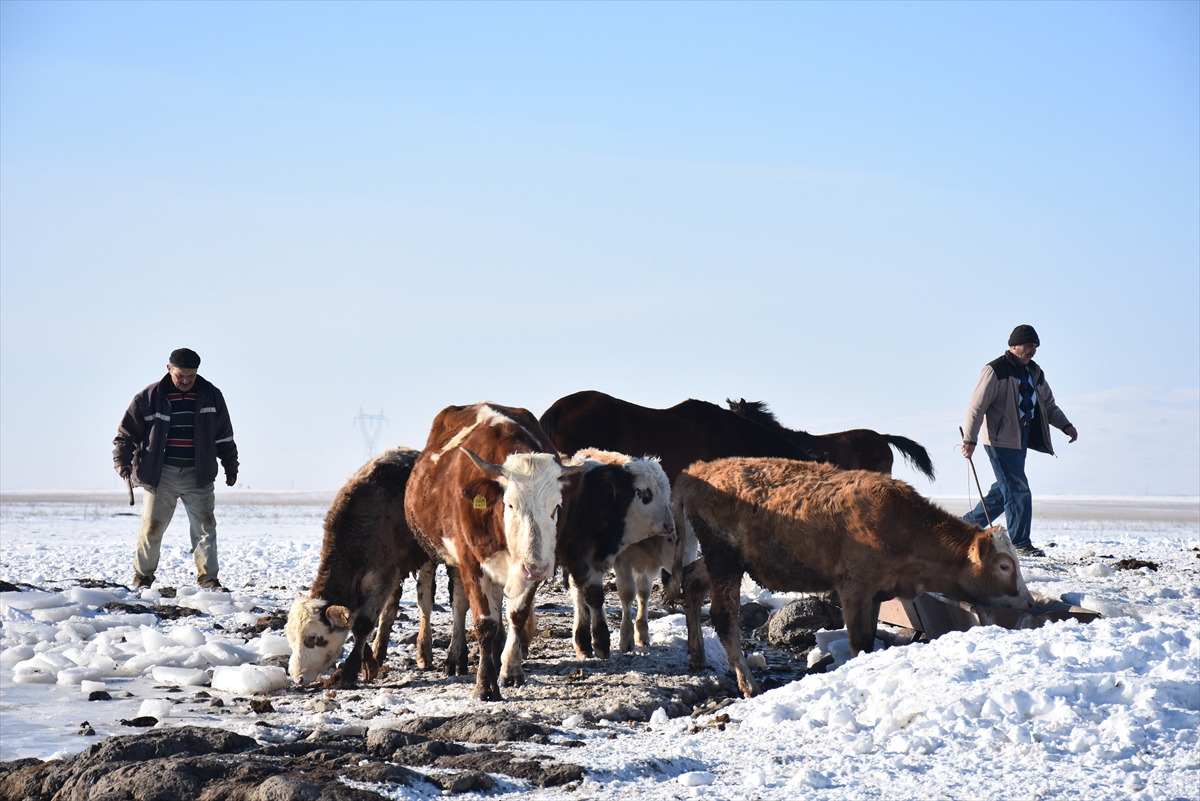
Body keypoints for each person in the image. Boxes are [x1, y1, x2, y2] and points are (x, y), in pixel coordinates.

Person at [113, 348, 239, 590]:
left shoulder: (211, 396)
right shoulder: (148, 398)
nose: (185, 381)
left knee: (205, 525)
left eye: (190, 376)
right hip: (160, 475)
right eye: (181, 375)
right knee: (152, 526)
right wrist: (122, 460)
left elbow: (224, 436)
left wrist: (230, 465)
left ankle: (208, 579)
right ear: (169, 368)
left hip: (198, 474)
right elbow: (126, 435)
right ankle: (143, 577)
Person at [961, 325, 1078, 557]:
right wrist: (969, 439)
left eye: (1035, 346)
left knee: (1004, 490)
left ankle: (964, 527)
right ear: (1013, 345)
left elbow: (1048, 405)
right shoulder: (995, 370)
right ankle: (1020, 543)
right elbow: (976, 407)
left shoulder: (1035, 372)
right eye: (1028, 345)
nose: (1033, 350)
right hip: (999, 439)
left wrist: (1066, 425)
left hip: (1021, 437)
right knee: (1018, 490)